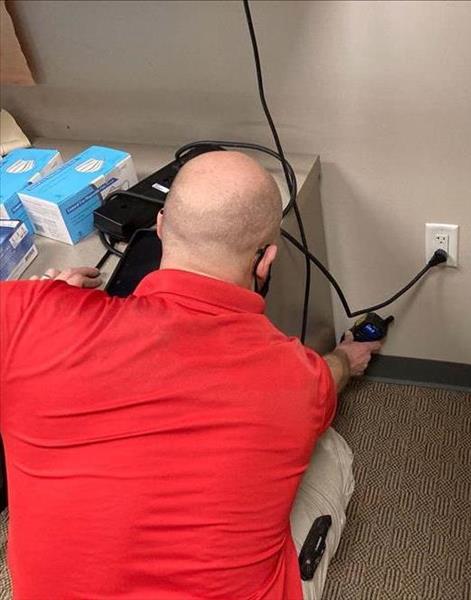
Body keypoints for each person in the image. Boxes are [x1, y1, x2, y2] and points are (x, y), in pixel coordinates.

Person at [0, 151, 381, 599]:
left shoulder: (25, 314)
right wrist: (346, 359)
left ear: (160, 227)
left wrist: (50, 299)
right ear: (266, 261)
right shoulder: (299, 378)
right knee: (330, 450)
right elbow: (328, 375)